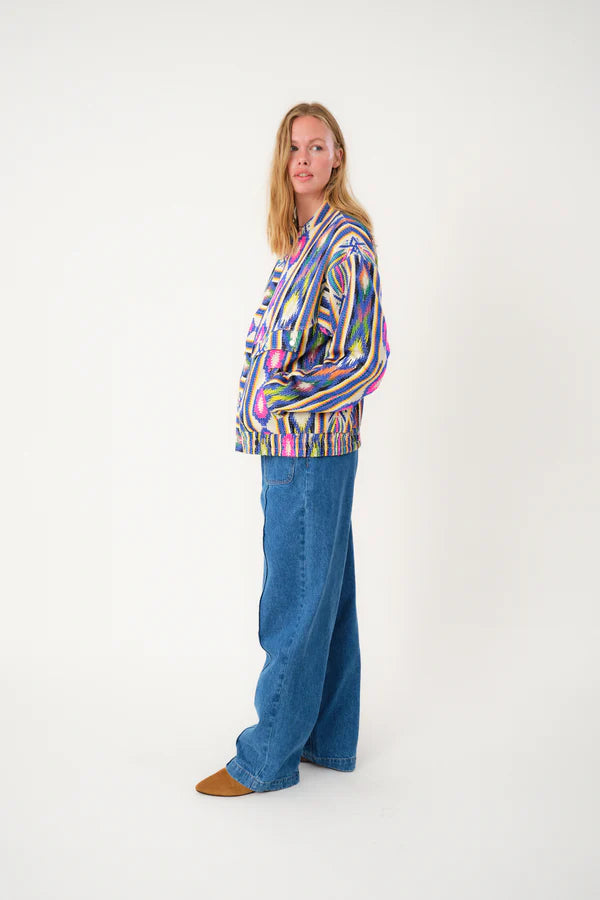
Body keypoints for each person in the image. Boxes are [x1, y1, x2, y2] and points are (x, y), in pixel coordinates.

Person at [195, 101, 391, 796]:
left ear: (337, 158)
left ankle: (267, 757)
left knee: (294, 602)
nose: (303, 158)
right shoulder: (303, 242)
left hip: (309, 448)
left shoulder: (345, 242)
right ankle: (325, 741)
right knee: (324, 596)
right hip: (294, 447)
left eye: (317, 146)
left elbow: (366, 358)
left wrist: (282, 398)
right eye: (293, 147)